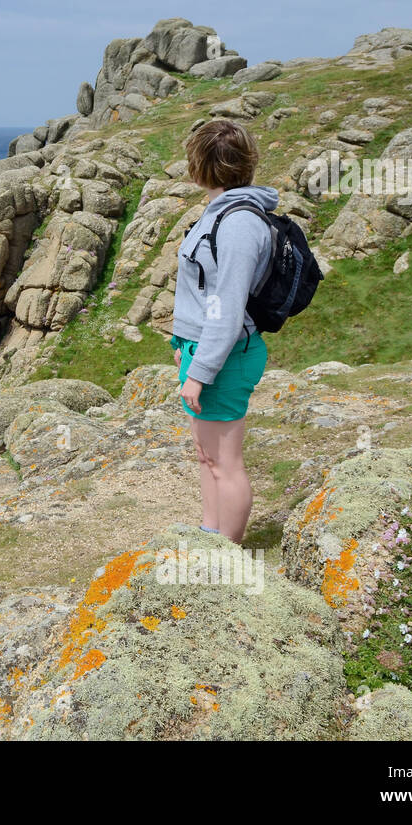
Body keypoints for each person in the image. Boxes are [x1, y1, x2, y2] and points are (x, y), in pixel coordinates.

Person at [171, 120, 277, 543]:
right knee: (206, 456)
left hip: (225, 355)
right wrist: (184, 345)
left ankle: (227, 554)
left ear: (200, 166)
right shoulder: (221, 211)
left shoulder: (236, 224)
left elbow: (228, 311)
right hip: (204, 349)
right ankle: (209, 532)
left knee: (225, 463)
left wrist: (201, 372)